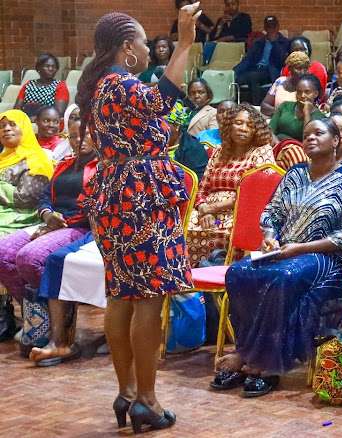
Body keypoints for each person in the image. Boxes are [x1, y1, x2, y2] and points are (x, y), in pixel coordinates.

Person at [74, 7, 200, 432]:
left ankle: (128, 392)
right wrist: (184, 43)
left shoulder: (103, 86)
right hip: (140, 197)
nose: (149, 50)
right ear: (127, 48)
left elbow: (161, 120)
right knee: (147, 296)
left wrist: (176, 120)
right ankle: (145, 398)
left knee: (122, 295)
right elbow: (160, 99)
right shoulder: (121, 83)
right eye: (145, 43)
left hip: (115, 193)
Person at [210, 118, 342, 397]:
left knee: (283, 277)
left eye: (318, 133)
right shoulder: (294, 175)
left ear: (335, 141)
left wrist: (299, 248)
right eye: (306, 134)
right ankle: (246, 352)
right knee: (238, 273)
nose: (310, 138)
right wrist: (270, 235)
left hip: (330, 258)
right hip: (284, 250)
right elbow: (271, 213)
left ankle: (267, 365)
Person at [0, 117, 97, 365]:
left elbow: (91, 207)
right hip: (51, 221)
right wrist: (46, 214)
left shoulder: (102, 167)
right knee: (3, 252)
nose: (79, 140)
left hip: (78, 226)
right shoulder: (64, 164)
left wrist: (58, 222)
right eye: (73, 136)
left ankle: (55, 325)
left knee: (29, 257)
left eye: (85, 134)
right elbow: (45, 197)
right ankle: (40, 313)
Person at [186, 103, 275, 266]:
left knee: (227, 231)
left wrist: (214, 208)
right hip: (206, 213)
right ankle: (188, 279)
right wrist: (204, 210)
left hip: (238, 213)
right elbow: (202, 189)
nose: (243, 128)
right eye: (239, 123)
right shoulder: (219, 151)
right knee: (181, 226)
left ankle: (221, 271)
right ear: (229, 125)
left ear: (257, 130)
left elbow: (257, 194)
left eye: (250, 125)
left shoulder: (261, 151)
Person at [0, 110, 54, 237]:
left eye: (13, 124)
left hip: (19, 218)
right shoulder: (3, 158)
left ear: (25, 128)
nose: (6, 129)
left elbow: (25, 199)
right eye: (2, 126)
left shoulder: (37, 160)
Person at [233, 15, 289, 105]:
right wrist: (234, 70)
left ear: (278, 27)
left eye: (273, 27)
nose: (270, 30)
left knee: (253, 77)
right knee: (237, 78)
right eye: (268, 27)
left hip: (270, 72)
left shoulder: (284, 42)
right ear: (265, 28)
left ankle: (256, 106)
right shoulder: (258, 42)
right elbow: (248, 59)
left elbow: (283, 60)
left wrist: (274, 42)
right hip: (255, 70)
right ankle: (235, 104)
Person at [270, 74, 325, 142]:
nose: (302, 96)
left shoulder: (320, 118)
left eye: (307, 92)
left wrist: (306, 113)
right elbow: (270, 131)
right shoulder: (285, 106)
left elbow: (307, 140)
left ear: (316, 94)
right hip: (277, 146)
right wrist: (280, 146)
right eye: (299, 92)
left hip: (300, 151)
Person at [14, 54, 69, 119]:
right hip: (25, 120)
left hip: (47, 121)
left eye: (54, 67)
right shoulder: (29, 84)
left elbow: (59, 111)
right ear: (39, 68)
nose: (51, 69)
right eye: (47, 66)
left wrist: (37, 118)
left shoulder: (60, 86)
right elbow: (17, 108)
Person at [165, 102, 209, 181]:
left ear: (177, 125)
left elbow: (198, 182)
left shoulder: (194, 149)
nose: (158, 129)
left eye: (163, 124)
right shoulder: (152, 144)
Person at [261, 51, 310, 117]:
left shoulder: (309, 86)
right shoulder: (280, 81)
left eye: (306, 68)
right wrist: (280, 113)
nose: (303, 72)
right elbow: (264, 106)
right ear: (290, 69)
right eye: (299, 68)